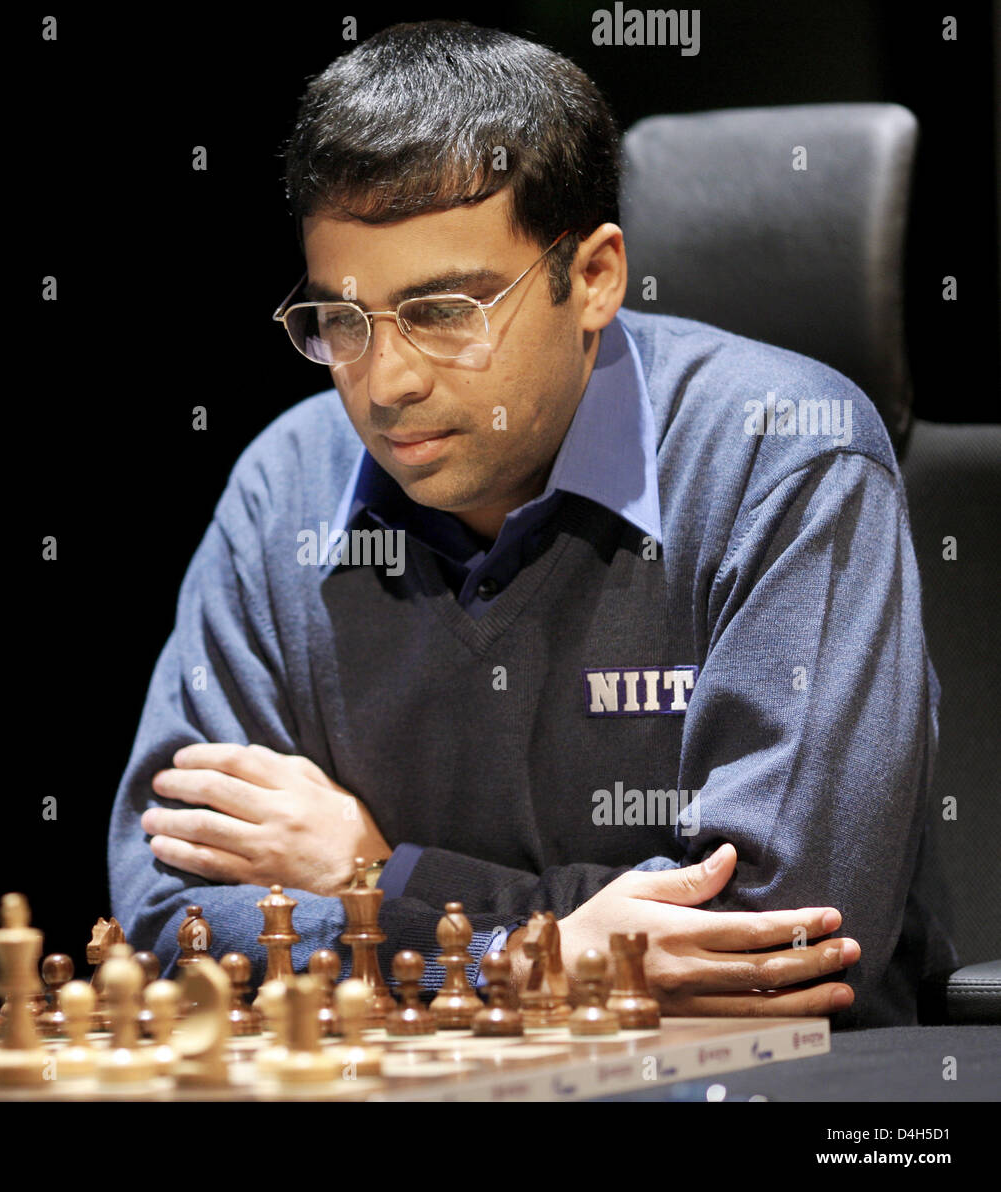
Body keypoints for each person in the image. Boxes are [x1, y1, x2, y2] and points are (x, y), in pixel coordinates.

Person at [107, 19, 957, 1028]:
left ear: (593, 276)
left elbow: (780, 933)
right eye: (341, 319)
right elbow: (172, 917)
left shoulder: (788, 458)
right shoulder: (282, 485)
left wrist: (378, 878)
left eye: (443, 311)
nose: (386, 382)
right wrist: (542, 954)